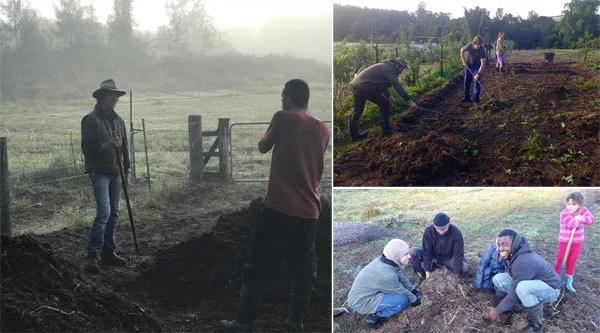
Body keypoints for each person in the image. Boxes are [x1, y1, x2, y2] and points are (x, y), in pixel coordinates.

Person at [221, 79, 330, 332]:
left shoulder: (282, 118)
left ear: (288, 97)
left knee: (256, 264)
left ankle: (244, 322)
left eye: (283, 96)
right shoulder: (323, 129)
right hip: (310, 212)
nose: (281, 100)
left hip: (279, 208)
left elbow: (262, 147)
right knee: (303, 272)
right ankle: (295, 324)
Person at [81, 79, 129, 274]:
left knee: (114, 213)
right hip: (99, 172)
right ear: (101, 98)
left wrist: (127, 171)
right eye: (111, 97)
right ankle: (92, 257)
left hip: (116, 172)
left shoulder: (119, 120)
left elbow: (125, 148)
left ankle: (109, 253)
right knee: (104, 213)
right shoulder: (90, 120)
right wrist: (108, 145)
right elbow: (86, 149)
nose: (114, 100)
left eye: (116, 97)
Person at [488, 229, 561, 333]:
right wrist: (497, 302)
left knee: (523, 288)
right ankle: (523, 302)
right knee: (498, 278)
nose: (500, 248)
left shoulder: (524, 260)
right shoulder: (510, 254)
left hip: (550, 289)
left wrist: (497, 311)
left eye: (504, 244)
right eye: (498, 244)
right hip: (531, 282)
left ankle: (536, 327)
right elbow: (512, 277)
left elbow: (515, 292)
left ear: (514, 243)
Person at [346, 239, 422, 328]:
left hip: (367, 293)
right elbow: (401, 290)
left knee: (402, 293)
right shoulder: (387, 275)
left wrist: (413, 290)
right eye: (405, 254)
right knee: (402, 300)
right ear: (396, 256)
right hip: (361, 302)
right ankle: (375, 317)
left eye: (408, 253)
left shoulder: (387, 262)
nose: (409, 256)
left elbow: (401, 277)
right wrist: (415, 300)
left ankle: (378, 308)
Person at [348, 58, 418, 140]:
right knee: (384, 103)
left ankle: (354, 136)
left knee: (358, 111)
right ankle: (386, 131)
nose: (401, 71)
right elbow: (397, 85)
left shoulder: (385, 67)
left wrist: (389, 96)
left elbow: (380, 83)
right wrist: (409, 101)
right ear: (397, 65)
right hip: (364, 87)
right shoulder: (390, 69)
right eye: (402, 68)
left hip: (356, 85)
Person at [553, 192, 596, 292]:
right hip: (564, 242)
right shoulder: (564, 213)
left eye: (573, 204)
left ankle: (568, 282)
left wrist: (581, 218)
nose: (570, 207)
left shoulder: (583, 211)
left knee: (571, 262)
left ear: (579, 205)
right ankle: (555, 280)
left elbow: (591, 219)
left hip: (577, 243)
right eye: (569, 204)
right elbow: (571, 224)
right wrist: (579, 220)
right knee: (560, 260)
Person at [411, 213, 467, 278]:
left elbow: (458, 255)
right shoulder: (428, 231)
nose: (440, 232)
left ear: (448, 225)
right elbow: (427, 252)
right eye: (437, 229)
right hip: (432, 256)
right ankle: (421, 276)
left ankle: (442, 267)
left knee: (463, 268)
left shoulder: (456, 233)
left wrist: (456, 276)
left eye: (443, 229)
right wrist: (427, 272)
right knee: (413, 252)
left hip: (447, 258)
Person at [460, 35, 486, 103]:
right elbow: (461, 50)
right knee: (467, 82)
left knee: (477, 82)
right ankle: (467, 97)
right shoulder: (469, 45)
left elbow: (483, 64)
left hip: (478, 66)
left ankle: (476, 99)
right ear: (473, 43)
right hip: (469, 65)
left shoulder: (482, 49)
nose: (477, 46)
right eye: (476, 45)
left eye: (479, 45)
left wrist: (478, 74)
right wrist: (463, 61)